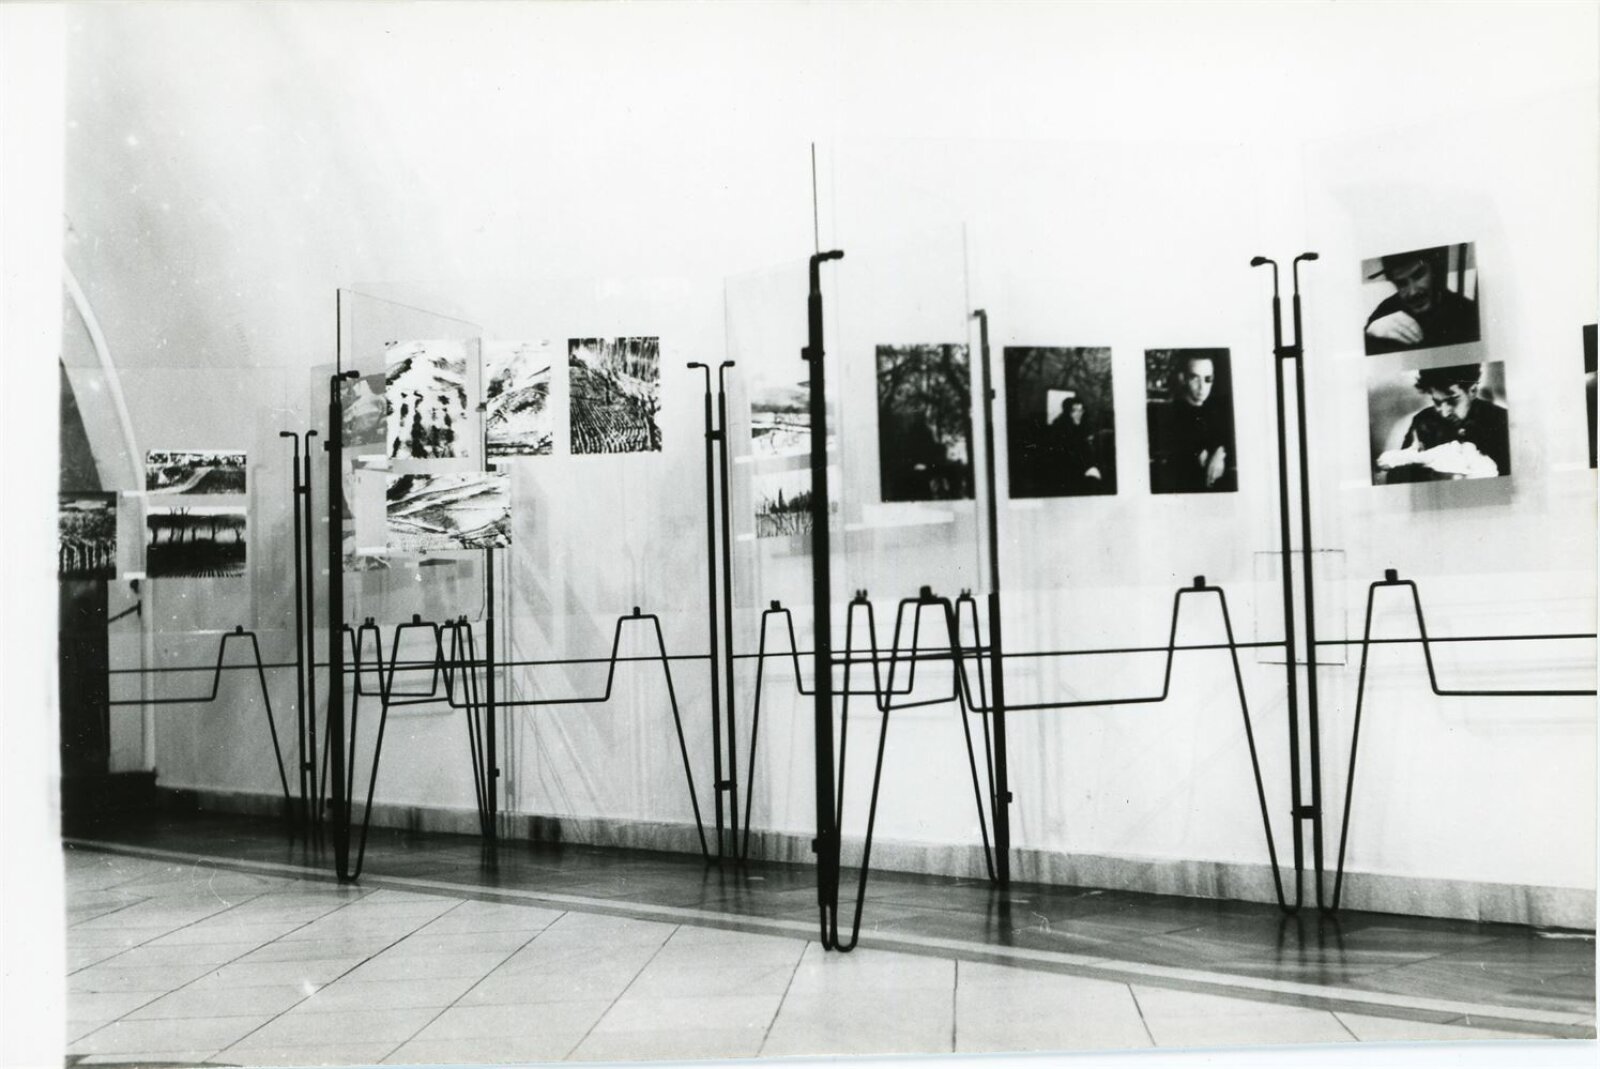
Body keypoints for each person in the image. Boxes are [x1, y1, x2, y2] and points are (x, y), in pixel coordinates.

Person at [1376, 364, 1509, 482]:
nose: (1444, 413)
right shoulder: (1423, 421)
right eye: (1437, 402)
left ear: (1472, 391)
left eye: (1452, 401)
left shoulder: (1501, 420)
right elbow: (1397, 476)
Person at [1364, 246, 1480, 355]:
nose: (1413, 292)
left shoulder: (1467, 313)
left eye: (1418, 275)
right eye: (1402, 283)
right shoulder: (1386, 310)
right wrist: (1370, 333)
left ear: (1434, 271)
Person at [1148, 353, 1235, 493]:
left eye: (1208, 379)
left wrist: (1220, 453)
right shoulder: (1170, 415)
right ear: (1182, 378)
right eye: (1195, 378)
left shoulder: (1216, 412)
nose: (1202, 387)